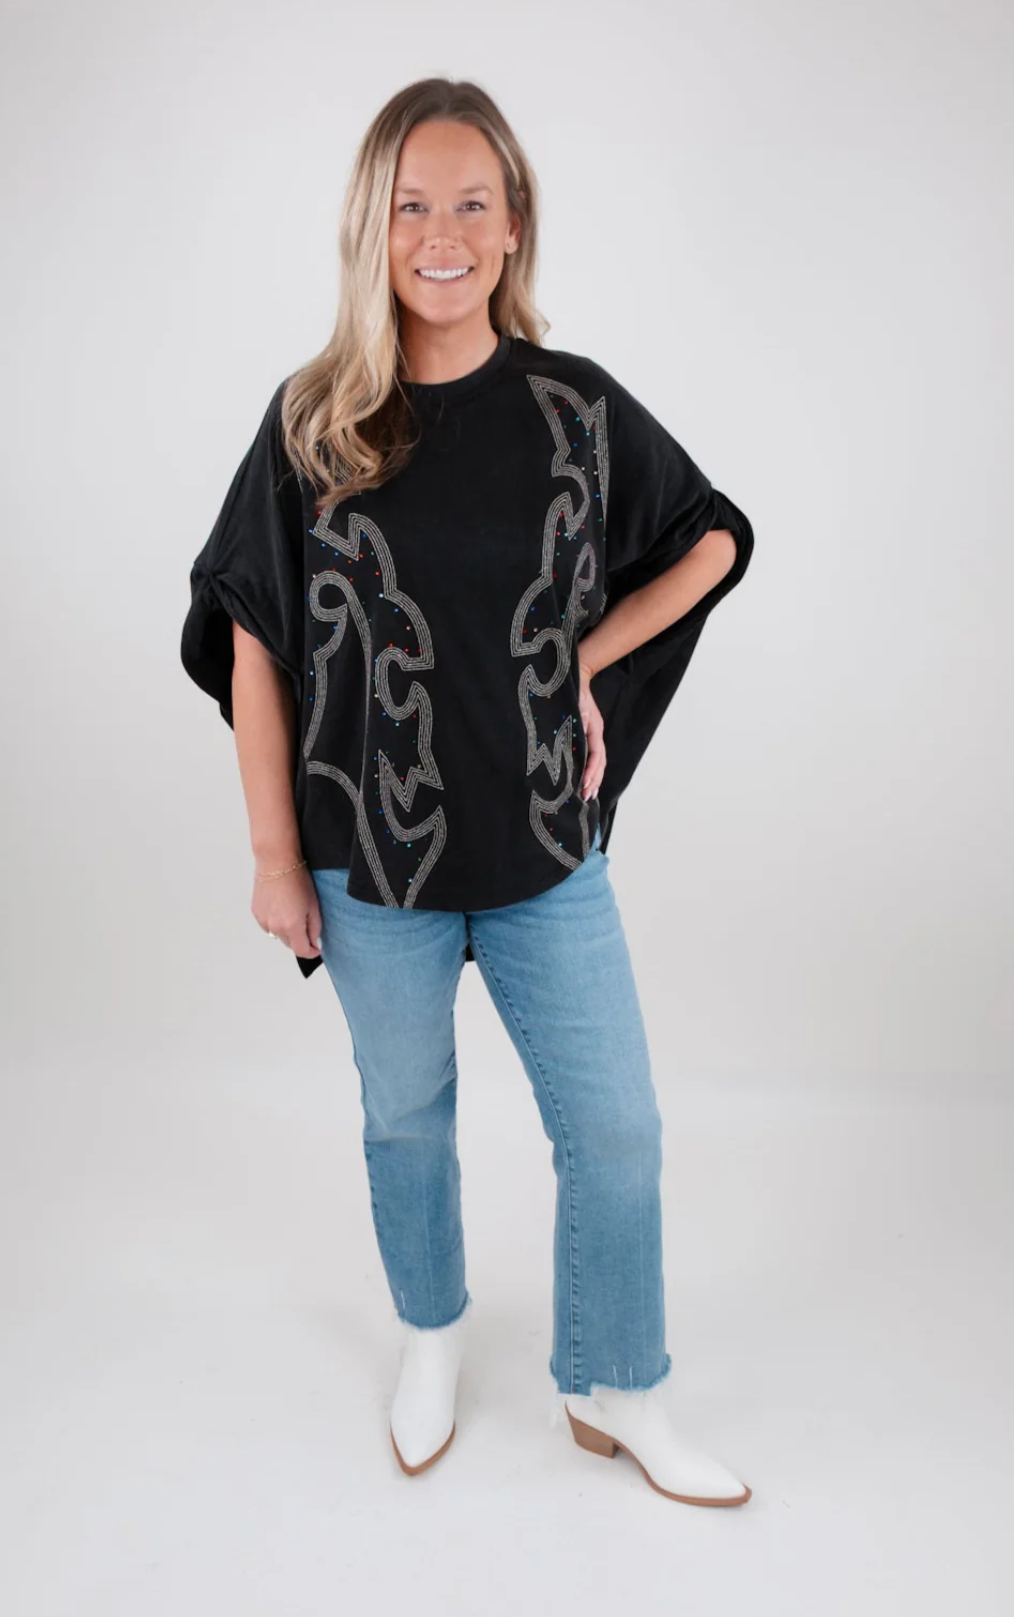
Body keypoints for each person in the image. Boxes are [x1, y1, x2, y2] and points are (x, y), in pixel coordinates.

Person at [181, 77, 755, 1507]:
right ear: (371, 231)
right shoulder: (315, 422)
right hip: (369, 860)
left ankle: (618, 1381)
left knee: (615, 1128)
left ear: (512, 228)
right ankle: (431, 1336)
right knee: (405, 1115)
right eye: (411, 207)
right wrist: (273, 857)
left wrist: (584, 660)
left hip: (547, 844)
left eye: (470, 205)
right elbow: (252, 638)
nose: (441, 235)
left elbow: (714, 540)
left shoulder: (574, 408)